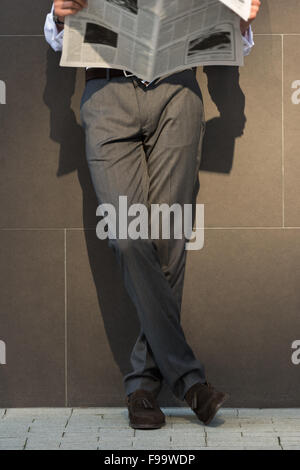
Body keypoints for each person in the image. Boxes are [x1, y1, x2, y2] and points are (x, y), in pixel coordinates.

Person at [44, 0, 261, 429]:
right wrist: (56, 14)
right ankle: (189, 380)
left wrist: (240, 22)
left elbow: (232, 39)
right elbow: (54, 35)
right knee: (126, 235)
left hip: (177, 92)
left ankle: (142, 387)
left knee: (168, 240)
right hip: (106, 93)